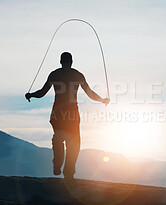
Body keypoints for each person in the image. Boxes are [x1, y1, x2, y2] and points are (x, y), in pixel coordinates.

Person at [25, 52, 110, 180]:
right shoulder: (78, 75)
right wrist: (103, 100)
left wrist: (30, 95)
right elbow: (90, 94)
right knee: (74, 143)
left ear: (60, 61)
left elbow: (42, 93)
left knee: (59, 137)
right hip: (72, 113)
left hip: (57, 112)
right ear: (72, 61)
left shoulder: (54, 74)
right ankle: (69, 171)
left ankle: (57, 162)